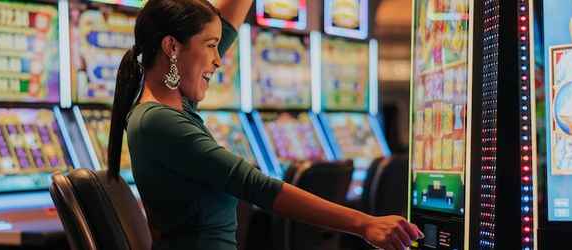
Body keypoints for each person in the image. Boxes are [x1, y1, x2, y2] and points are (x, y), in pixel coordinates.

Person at [107, 1, 423, 249]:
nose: (219, 59)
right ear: (172, 48)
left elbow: (226, 25)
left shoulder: (173, 107)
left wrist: (214, 36)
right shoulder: (159, 121)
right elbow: (256, 185)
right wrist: (364, 224)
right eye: (211, 45)